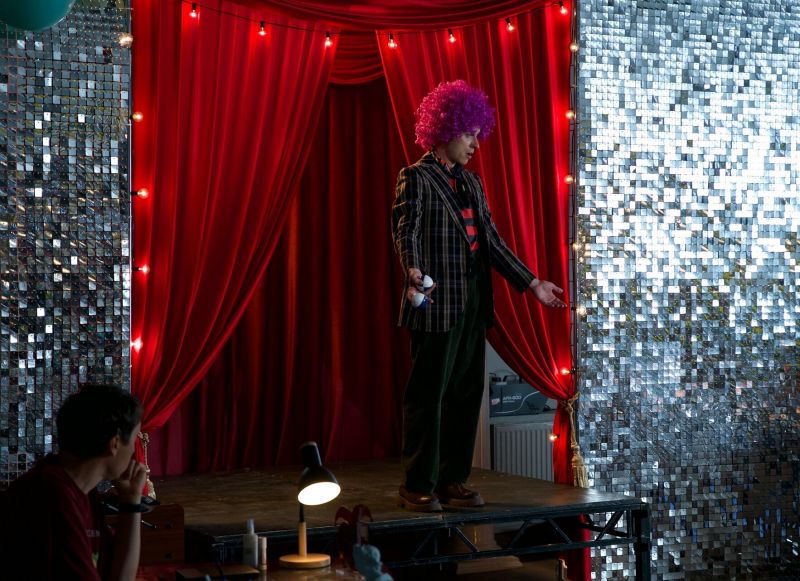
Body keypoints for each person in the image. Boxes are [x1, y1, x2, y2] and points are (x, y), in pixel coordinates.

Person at [392, 80, 566, 512]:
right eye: (469, 134)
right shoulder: (416, 177)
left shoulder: (472, 183)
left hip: (472, 301)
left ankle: (453, 480)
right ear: (445, 130)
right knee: (429, 395)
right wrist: (412, 268)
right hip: (435, 301)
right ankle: (418, 483)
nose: (475, 144)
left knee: (466, 395)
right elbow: (406, 229)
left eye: (477, 134)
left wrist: (532, 283)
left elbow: (492, 242)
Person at [0, 383, 148, 580]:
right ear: (114, 444)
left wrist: (131, 501)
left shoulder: (82, 490)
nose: (133, 452)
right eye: (135, 440)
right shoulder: (52, 495)